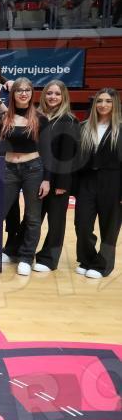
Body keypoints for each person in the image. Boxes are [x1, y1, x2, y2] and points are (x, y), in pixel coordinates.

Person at [0, 78, 51, 276]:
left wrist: (47, 179)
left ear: (32, 93)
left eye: (27, 90)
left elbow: (48, 152)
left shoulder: (40, 119)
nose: (23, 93)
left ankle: (26, 257)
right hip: (8, 169)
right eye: (19, 90)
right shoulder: (2, 118)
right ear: (13, 94)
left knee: (33, 216)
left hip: (33, 169)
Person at [73, 88, 122, 279]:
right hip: (87, 182)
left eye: (108, 101)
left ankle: (103, 265)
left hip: (113, 182)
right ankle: (87, 259)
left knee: (109, 227)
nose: (103, 105)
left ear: (115, 104)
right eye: (99, 101)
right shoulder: (83, 127)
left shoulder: (120, 128)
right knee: (82, 224)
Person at [33, 80, 80, 272]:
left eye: (57, 94)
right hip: (35, 176)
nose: (53, 97)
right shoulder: (36, 117)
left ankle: (48, 259)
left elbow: (68, 156)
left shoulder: (69, 120)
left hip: (58, 180)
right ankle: (23, 251)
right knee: (33, 218)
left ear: (64, 97)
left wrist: (61, 183)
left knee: (56, 221)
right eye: (49, 93)